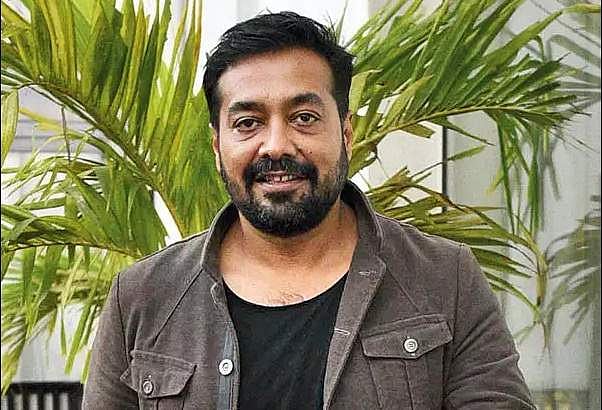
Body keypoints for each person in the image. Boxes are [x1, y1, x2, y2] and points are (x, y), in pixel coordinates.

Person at [83, 11, 535, 410]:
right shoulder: (142, 297)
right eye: (248, 123)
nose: (277, 145)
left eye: (304, 117)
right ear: (217, 147)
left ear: (346, 134)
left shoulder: (443, 280)